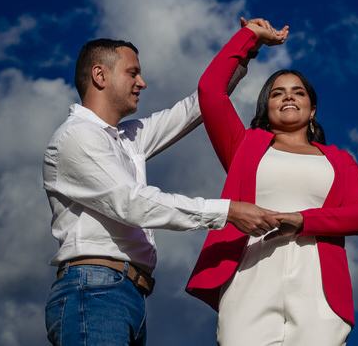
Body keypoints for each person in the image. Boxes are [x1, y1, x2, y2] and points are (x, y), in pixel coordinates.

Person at [43, 29, 293, 346]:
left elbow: (196, 107)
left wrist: (246, 47)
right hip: (94, 292)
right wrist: (227, 211)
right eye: (132, 73)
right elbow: (132, 203)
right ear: (100, 75)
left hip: (124, 294)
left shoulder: (125, 138)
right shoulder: (77, 137)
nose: (142, 83)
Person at [187, 18, 358, 346]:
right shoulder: (244, 147)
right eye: (277, 93)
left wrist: (302, 220)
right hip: (250, 275)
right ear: (267, 106)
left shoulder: (340, 161)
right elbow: (209, 90)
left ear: (312, 108)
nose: (288, 97)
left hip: (318, 286)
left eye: (297, 92)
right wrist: (250, 39)